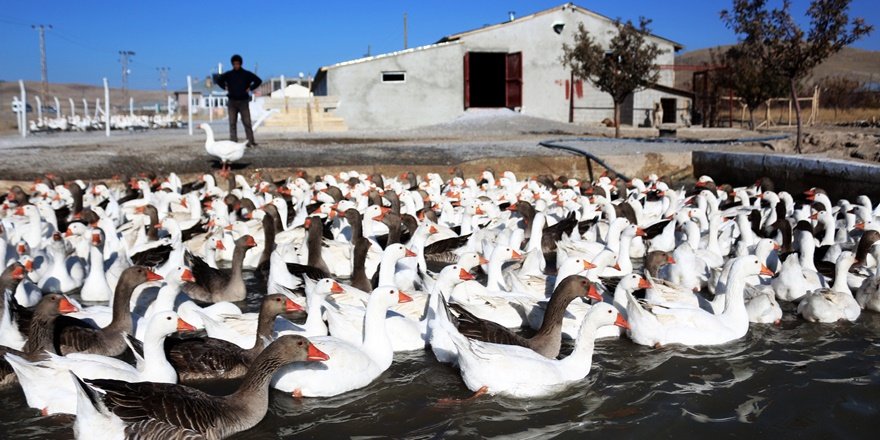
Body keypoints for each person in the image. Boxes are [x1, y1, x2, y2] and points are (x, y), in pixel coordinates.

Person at [216, 54, 262, 147]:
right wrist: (224, 87)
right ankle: (233, 142)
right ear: (232, 64)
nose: (236, 65)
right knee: (232, 123)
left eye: (237, 63)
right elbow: (218, 79)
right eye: (234, 64)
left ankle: (250, 141)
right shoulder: (229, 74)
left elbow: (258, 80)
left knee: (247, 122)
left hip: (243, 102)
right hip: (232, 102)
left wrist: (250, 88)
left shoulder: (246, 74)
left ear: (241, 64)